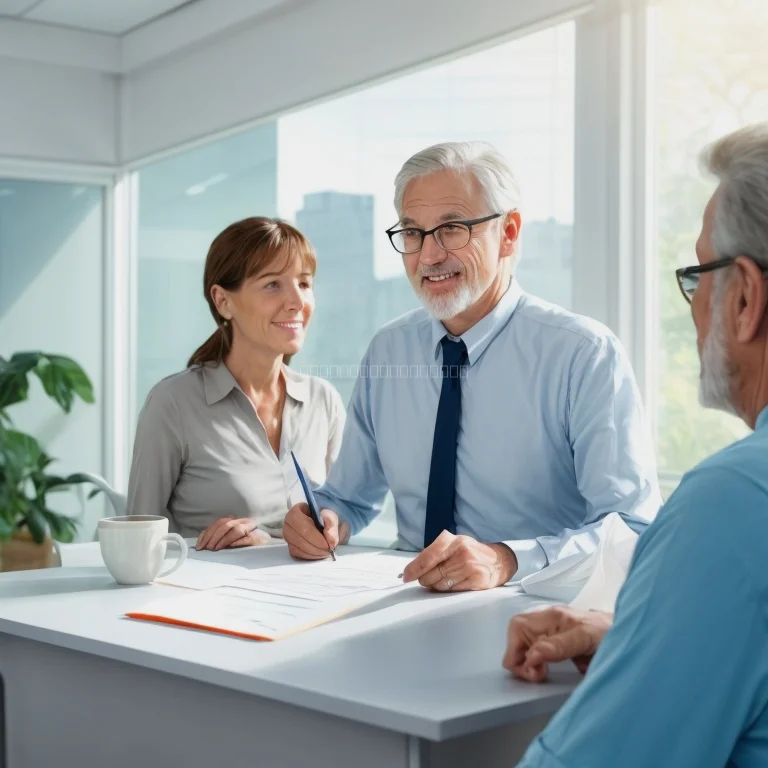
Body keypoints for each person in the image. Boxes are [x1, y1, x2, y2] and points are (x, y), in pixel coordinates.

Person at [282, 141, 661, 589]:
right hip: (401, 609)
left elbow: (631, 528)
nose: (429, 255)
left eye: (452, 228)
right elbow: (348, 498)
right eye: (412, 233)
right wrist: (322, 521)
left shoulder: (584, 355)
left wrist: (507, 561)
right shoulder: (388, 351)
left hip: (535, 621)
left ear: (510, 232)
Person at [506, 124, 768, 767]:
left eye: (696, 274)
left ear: (744, 296)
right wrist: (647, 641)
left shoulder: (732, 503)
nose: (692, 305)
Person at [127, 217, 346, 550]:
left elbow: (342, 521)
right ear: (223, 301)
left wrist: (321, 531)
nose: (296, 301)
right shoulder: (172, 404)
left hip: (314, 596)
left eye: (304, 284)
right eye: (273, 284)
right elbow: (137, 543)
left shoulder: (323, 401)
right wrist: (202, 546)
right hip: (205, 598)